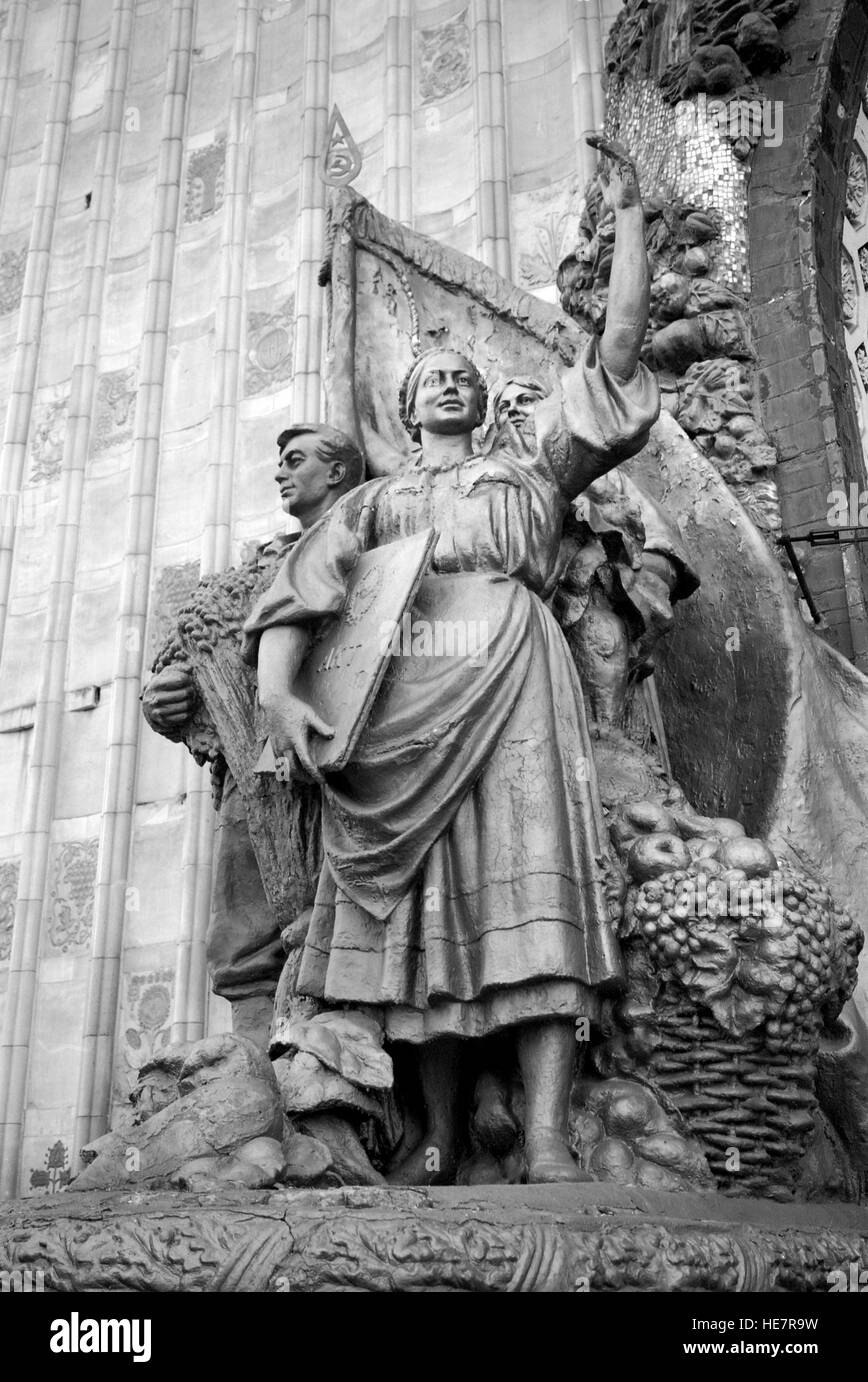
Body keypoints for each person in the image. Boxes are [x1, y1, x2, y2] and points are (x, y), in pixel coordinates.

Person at [243, 138, 659, 1185]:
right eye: (426, 377)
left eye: (458, 376)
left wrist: (632, 227)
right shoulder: (373, 502)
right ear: (405, 405)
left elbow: (611, 363)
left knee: (536, 894)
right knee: (424, 924)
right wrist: (280, 694)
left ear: (478, 401)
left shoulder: (529, 473)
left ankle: (552, 1136)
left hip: (515, 683)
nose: (441, 383)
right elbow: (300, 595)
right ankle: (432, 1135)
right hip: (401, 714)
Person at [141, 424, 364, 1047]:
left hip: (364, 741)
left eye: (295, 461)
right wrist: (168, 696)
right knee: (250, 867)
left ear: (338, 473)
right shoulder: (259, 566)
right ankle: (252, 1058)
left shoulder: (378, 536)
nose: (280, 474)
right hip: (266, 747)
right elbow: (188, 659)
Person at [490, 376, 699, 733]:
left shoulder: (599, 473)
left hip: (593, 594)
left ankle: (605, 736)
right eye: (503, 409)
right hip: (510, 603)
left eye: (524, 401)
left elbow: (658, 548)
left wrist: (620, 574)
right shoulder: (489, 478)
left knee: (603, 636)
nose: (513, 414)